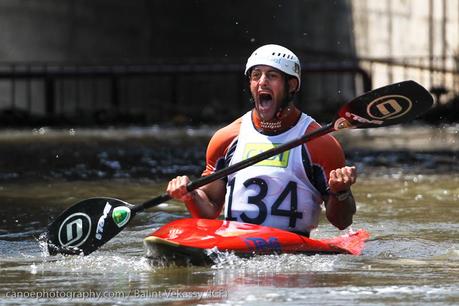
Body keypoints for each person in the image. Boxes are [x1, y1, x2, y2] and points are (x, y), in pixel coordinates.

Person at [167, 44, 357, 236]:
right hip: (235, 250)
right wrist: (190, 195)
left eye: (272, 76)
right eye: (256, 75)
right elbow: (210, 208)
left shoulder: (320, 144)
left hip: (292, 255)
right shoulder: (227, 138)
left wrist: (341, 193)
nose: (262, 82)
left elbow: (342, 222)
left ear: (291, 85)